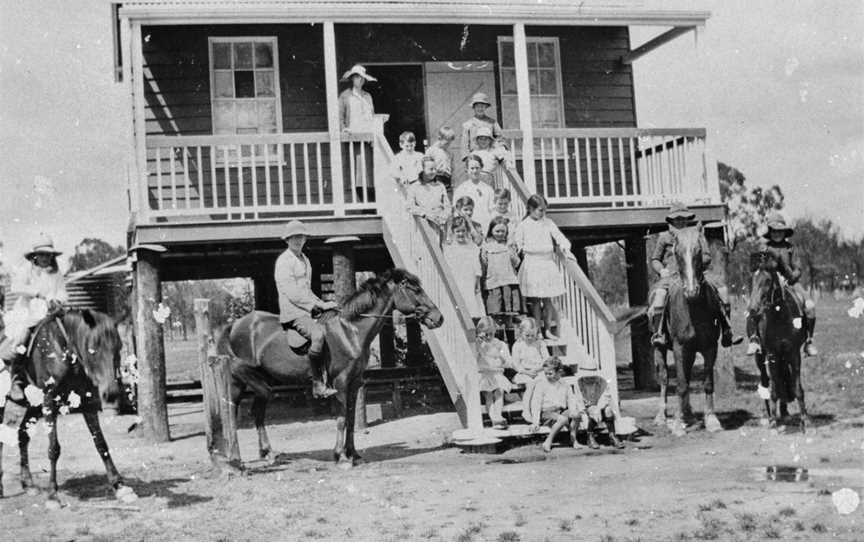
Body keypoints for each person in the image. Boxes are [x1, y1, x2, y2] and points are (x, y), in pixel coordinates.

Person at [648, 203, 742, 349]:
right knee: (659, 297)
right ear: (671, 221)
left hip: (696, 273)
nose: (680, 221)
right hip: (672, 276)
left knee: (723, 292)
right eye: (676, 219)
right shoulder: (664, 237)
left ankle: (727, 330)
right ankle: (659, 333)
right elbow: (655, 259)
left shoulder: (697, 235)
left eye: (683, 218)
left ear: (687, 219)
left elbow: (706, 255)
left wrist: (696, 263)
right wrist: (661, 270)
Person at [274, 220, 339, 398]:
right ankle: (317, 384)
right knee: (318, 335)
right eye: (294, 237)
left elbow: (306, 290)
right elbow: (292, 293)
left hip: (306, 310)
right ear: (287, 240)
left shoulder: (305, 260)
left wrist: (324, 303)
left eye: (301, 237)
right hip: (293, 312)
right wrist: (316, 305)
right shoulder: (284, 261)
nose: (298, 240)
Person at [746, 213, 818, 356]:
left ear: (784, 232)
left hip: (790, 283)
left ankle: (809, 341)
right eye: (774, 230)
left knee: (810, 306)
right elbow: (754, 267)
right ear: (770, 232)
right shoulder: (764, 248)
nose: (777, 234)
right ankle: (754, 339)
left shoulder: (790, 248)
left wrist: (790, 278)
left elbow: (798, 268)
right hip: (767, 283)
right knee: (752, 306)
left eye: (780, 230)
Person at [0, 235, 68, 365]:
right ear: (35, 255)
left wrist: (58, 300)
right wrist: (36, 292)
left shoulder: (56, 272)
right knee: (21, 336)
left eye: (48, 255)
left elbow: (62, 291)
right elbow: (15, 287)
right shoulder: (27, 269)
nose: (45, 258)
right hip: (29, 310)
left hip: (52, 310)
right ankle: (17, 370)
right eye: (41, 255)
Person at [512, 194, 570, 341]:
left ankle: (548, 329)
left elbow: (559, 237)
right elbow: (518, 244)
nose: (543, 213)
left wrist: (564, 246)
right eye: (540, 210)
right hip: (532, 264)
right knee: (536, 300)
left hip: (547, 263)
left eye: (544, 210)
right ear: (530, 209)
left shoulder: (548, 223)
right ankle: (537, 329)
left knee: (548, 299)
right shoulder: (523, 225)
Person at [522, 356, 582, 452]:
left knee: (576, 414)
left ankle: (573, 439)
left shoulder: (564, 384)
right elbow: (536, 404)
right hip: (546, 413)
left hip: (560, 411)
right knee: (563, 419)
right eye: (545, 373)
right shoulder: (541, 384)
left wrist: (572, 410)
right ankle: (548, 441)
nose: (547, 376)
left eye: (550, 373)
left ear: (559, 372)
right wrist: (535, 422)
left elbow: (571, 399)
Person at [475, 316, 513, 429]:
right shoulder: (478, 345)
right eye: (486, 334)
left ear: (495, 331)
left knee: (499, 392)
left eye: (491, 333)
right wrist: (479, 346)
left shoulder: (500, 344)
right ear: (480, 333)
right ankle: (494, 419)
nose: (489, 337)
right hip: (484, 374)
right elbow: (474, 360)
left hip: (497, 374)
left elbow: (508, 362)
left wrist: (500, 357)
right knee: (488, 394)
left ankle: (498, 415)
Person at [443, 216, 485, 319]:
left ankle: (474, 321)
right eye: (458, 231)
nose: (461, 234)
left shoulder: (472, 247)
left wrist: (477, 280)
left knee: (472, 301)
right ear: (453, 231)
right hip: (457, 278)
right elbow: (448, 265)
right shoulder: (450, 248)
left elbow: (476, 265)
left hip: (470, 278)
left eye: (463, 231)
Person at [480, 216, 522, 316]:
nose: (500, 234)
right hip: (494, 283)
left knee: (509, 315)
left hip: (508, 283)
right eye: (497, 231)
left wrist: (511, 252)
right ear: (491, 231)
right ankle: (496, 331)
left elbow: (516, 263)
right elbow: (484, 263)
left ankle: (509, 331)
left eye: (503, 231)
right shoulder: (487, 247)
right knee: (495, 313)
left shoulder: (509, 245)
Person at [406, 155, 451, 240]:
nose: (434, 171)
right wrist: (425, 214)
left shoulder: (440, 186)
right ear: (422, 170)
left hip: (440, 224)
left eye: (435, 169)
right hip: (424, 225)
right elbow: (409, 206)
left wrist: (444, 216)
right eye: (430, 169)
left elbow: (447, 206)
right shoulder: (415, 186)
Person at [576, 374, 624, 449]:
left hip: (599, 406)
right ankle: (590, 436)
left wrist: (598, 408)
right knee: (592, 411)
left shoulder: (602, 382)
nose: (590, 379)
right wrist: (588, 409)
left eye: (592, 376)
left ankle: (612, 435)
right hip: (586, 407)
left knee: (608, 410)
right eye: (587, 376)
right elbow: (578, 400)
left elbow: (606, 397)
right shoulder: (579, 383)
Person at [453, 154, 495, 234]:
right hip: (467, 229)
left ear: (481, 168)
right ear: (467, 170)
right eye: (472, 168)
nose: (475, 171)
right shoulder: (461, 189)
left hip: (485, 228)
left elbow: (492, 211)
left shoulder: (488, 189)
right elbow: (456, 212)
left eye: (477, 168)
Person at [461, 92, 503, 158]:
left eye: (482, 106)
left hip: (490, 155)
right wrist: (467, 158)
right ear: (474, 107)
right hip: (474, 156)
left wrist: (496, 151)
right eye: (478, 106)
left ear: (486, 107)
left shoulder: (492, 122)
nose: (480, 109)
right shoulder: (468, 124)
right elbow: (464, 144)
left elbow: (500, 138)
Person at [510, 318, 549, 386]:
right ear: (521, 333)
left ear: (536, 333)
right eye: (527, 335)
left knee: (543, 382)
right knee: (530, 384)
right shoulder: (518, 345)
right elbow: (515, 363)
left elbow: (546, 360)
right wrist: (526, 372)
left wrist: (537, 370)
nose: (530, 338)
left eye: (533, 335)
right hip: (524, 373)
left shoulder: (540, 344)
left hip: (539, 371)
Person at [338, 64, 376, 132]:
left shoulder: (367, 96)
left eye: (362, 77)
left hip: (368, 137)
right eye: (357, 77)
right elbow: (339, 117)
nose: (360, 79)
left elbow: (372, 116)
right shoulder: (344, 96)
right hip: (351, 137)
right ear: (352, 78)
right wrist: (343, 128)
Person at [426, 126, 456, 193]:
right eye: (446, 143)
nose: (448, 145)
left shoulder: (450, 152)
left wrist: (453, 181)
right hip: (436, 178)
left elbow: (452, 168)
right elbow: (426, 168)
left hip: (448, 179)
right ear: (439, 138)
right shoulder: (431, 151)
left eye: (450, 143)